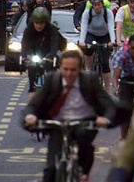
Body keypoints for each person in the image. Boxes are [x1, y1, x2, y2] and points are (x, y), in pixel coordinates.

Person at [24, 49, 115, 182]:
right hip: (58, 124)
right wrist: (30, 116)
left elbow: (107, 104)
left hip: (83, 123)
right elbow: (34, 104)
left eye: (73, 70)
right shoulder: (52, 79)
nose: (69, 73)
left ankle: (83, 174)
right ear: (59, 67)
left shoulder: (90, 80)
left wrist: (106, 118)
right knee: (50, 169)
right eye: (65, 69)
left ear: (81, 69)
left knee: (85, 146)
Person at [79, 0, 116, 94]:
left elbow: (111, 28)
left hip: (105, 35)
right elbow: (84, 29)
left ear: (102, 4)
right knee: (88, 51)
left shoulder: (108, 13)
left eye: (99, 4)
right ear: (92, 5)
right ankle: (89, 70)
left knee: (105, 63)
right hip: (92, 34)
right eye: (95, 5)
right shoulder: (87, 13)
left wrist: (112, 41)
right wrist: (82, 42)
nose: (97, 7)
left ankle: (107, 90)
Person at [22, 7, 61, 101]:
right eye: (36, 23)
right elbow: (25, 44)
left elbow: (54, 44)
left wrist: (52, 56)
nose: (39, 26)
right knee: (31, 70)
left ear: (46, 22)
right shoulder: (28, 30)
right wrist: (23, 57)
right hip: (35, 53)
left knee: (52, 70)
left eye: (41, 23)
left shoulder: (52, 30)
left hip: (48, 53)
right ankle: (32, 92)